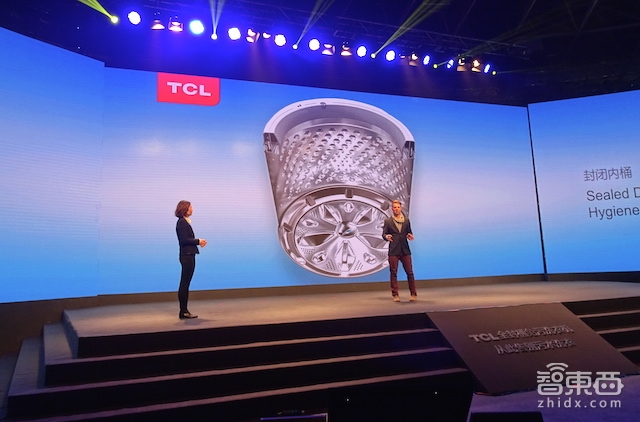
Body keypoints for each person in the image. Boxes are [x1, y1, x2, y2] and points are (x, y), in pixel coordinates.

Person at [175, 200, 207, 319]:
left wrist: (198, 242)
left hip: (188, 254)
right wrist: (198, 241)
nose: (192, 209)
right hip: (187, 255)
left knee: (185, 283)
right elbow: (184, 240)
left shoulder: (183, 222)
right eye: (190, 207)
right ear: (185, 209)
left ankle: (184, 310)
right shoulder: (182, 223)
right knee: (185, 283)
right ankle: (183, 311)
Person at [382, 199, 417, 302]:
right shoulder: (388, 221)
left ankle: (413, 293)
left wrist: (410, 236)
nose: (396, 209)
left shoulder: (406, 220)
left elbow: (409, 232)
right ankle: (395, 294)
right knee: (393, 272)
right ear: (392, 209)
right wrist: (386, 236)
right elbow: (384, 234)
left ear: (400, 208)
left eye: (398, 207)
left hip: (405, 250)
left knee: (410, 272)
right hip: (394, 250)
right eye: (395, 207)